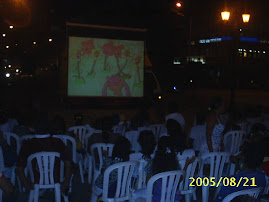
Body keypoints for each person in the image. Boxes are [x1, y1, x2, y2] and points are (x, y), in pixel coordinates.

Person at [16, 127, 72, 193]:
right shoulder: (58, 141)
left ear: (34, 129)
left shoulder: (28, 143)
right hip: (56, 180)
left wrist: (26, 185)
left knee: (28, 171)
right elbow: (68, 164)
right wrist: (66, 182)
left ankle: (38, 192)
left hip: (36, 181)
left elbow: (19, 168)